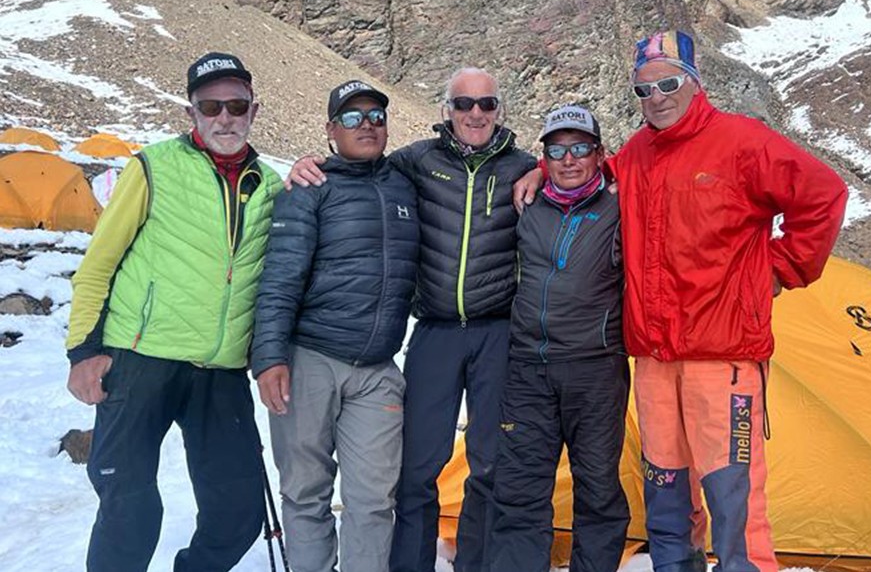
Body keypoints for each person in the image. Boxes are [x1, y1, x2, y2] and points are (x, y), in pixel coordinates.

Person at [516, 30, 848, 572]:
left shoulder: (743, 141)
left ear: (695, 82)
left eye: (668, 83)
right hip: (653, 358)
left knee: (733, 498)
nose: (657, 98)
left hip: (723, 356)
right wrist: (541, 167)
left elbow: (823, 194)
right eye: (643, 90)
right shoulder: (638, 153)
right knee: (666, 493)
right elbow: (588, 175)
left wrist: (782, 270)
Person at [287, 67, 537, 572]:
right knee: (417, 467)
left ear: (499, 110)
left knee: (489, 463)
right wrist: (307, 164)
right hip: (435, 332)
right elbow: (359, 164)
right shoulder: (415, 161)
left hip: (496, 333)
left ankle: (474, 564)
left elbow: (580, 171)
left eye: (486, 104)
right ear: (446, 110)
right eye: (464, 104)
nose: (475, 114)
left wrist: (543, 172)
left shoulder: (523, 166)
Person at [66, 52, 282, 572]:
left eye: (236, 105)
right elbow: (99, 263)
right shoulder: (153, 166)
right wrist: (83, 350)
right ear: (193, 114)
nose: (224, 117)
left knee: (238, 511)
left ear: (254, 112)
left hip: (221, 371)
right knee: (128, 507)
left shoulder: (272, 187)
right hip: (141, 360)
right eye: (211, 106)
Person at [250, 79, 420, 572]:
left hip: (377, 368)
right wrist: (270, 358)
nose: (365, 125)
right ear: (330, 130)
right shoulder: (309, 188)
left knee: (374, 499)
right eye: (351, 117)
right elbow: (280, 278)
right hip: (310, 361)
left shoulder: (404, 183)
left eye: (375, 117)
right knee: (306, 492)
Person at [489, 105, 630, 572]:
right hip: (528, 367)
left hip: (595, 368)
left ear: (600, 154)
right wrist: (532, 172)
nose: (569, 160)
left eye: (580, 148)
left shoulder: (620, 204)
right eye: (556, 150)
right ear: (543, 157)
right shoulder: (527, 204)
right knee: (520, 487)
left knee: (597, 487)